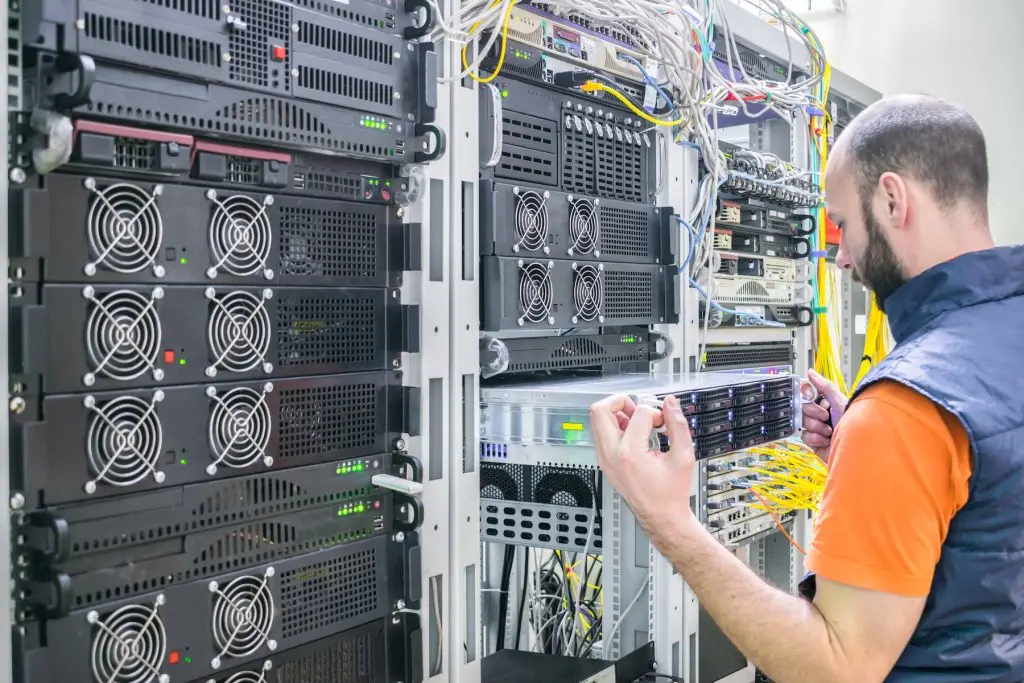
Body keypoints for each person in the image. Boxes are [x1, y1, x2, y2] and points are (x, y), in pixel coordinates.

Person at [591, 94, 1024, 683]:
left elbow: (835, 669)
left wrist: (668, 519)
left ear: (893, 200)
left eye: (842, 223)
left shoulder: (908, 410)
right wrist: (871, 455)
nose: (840, 256)